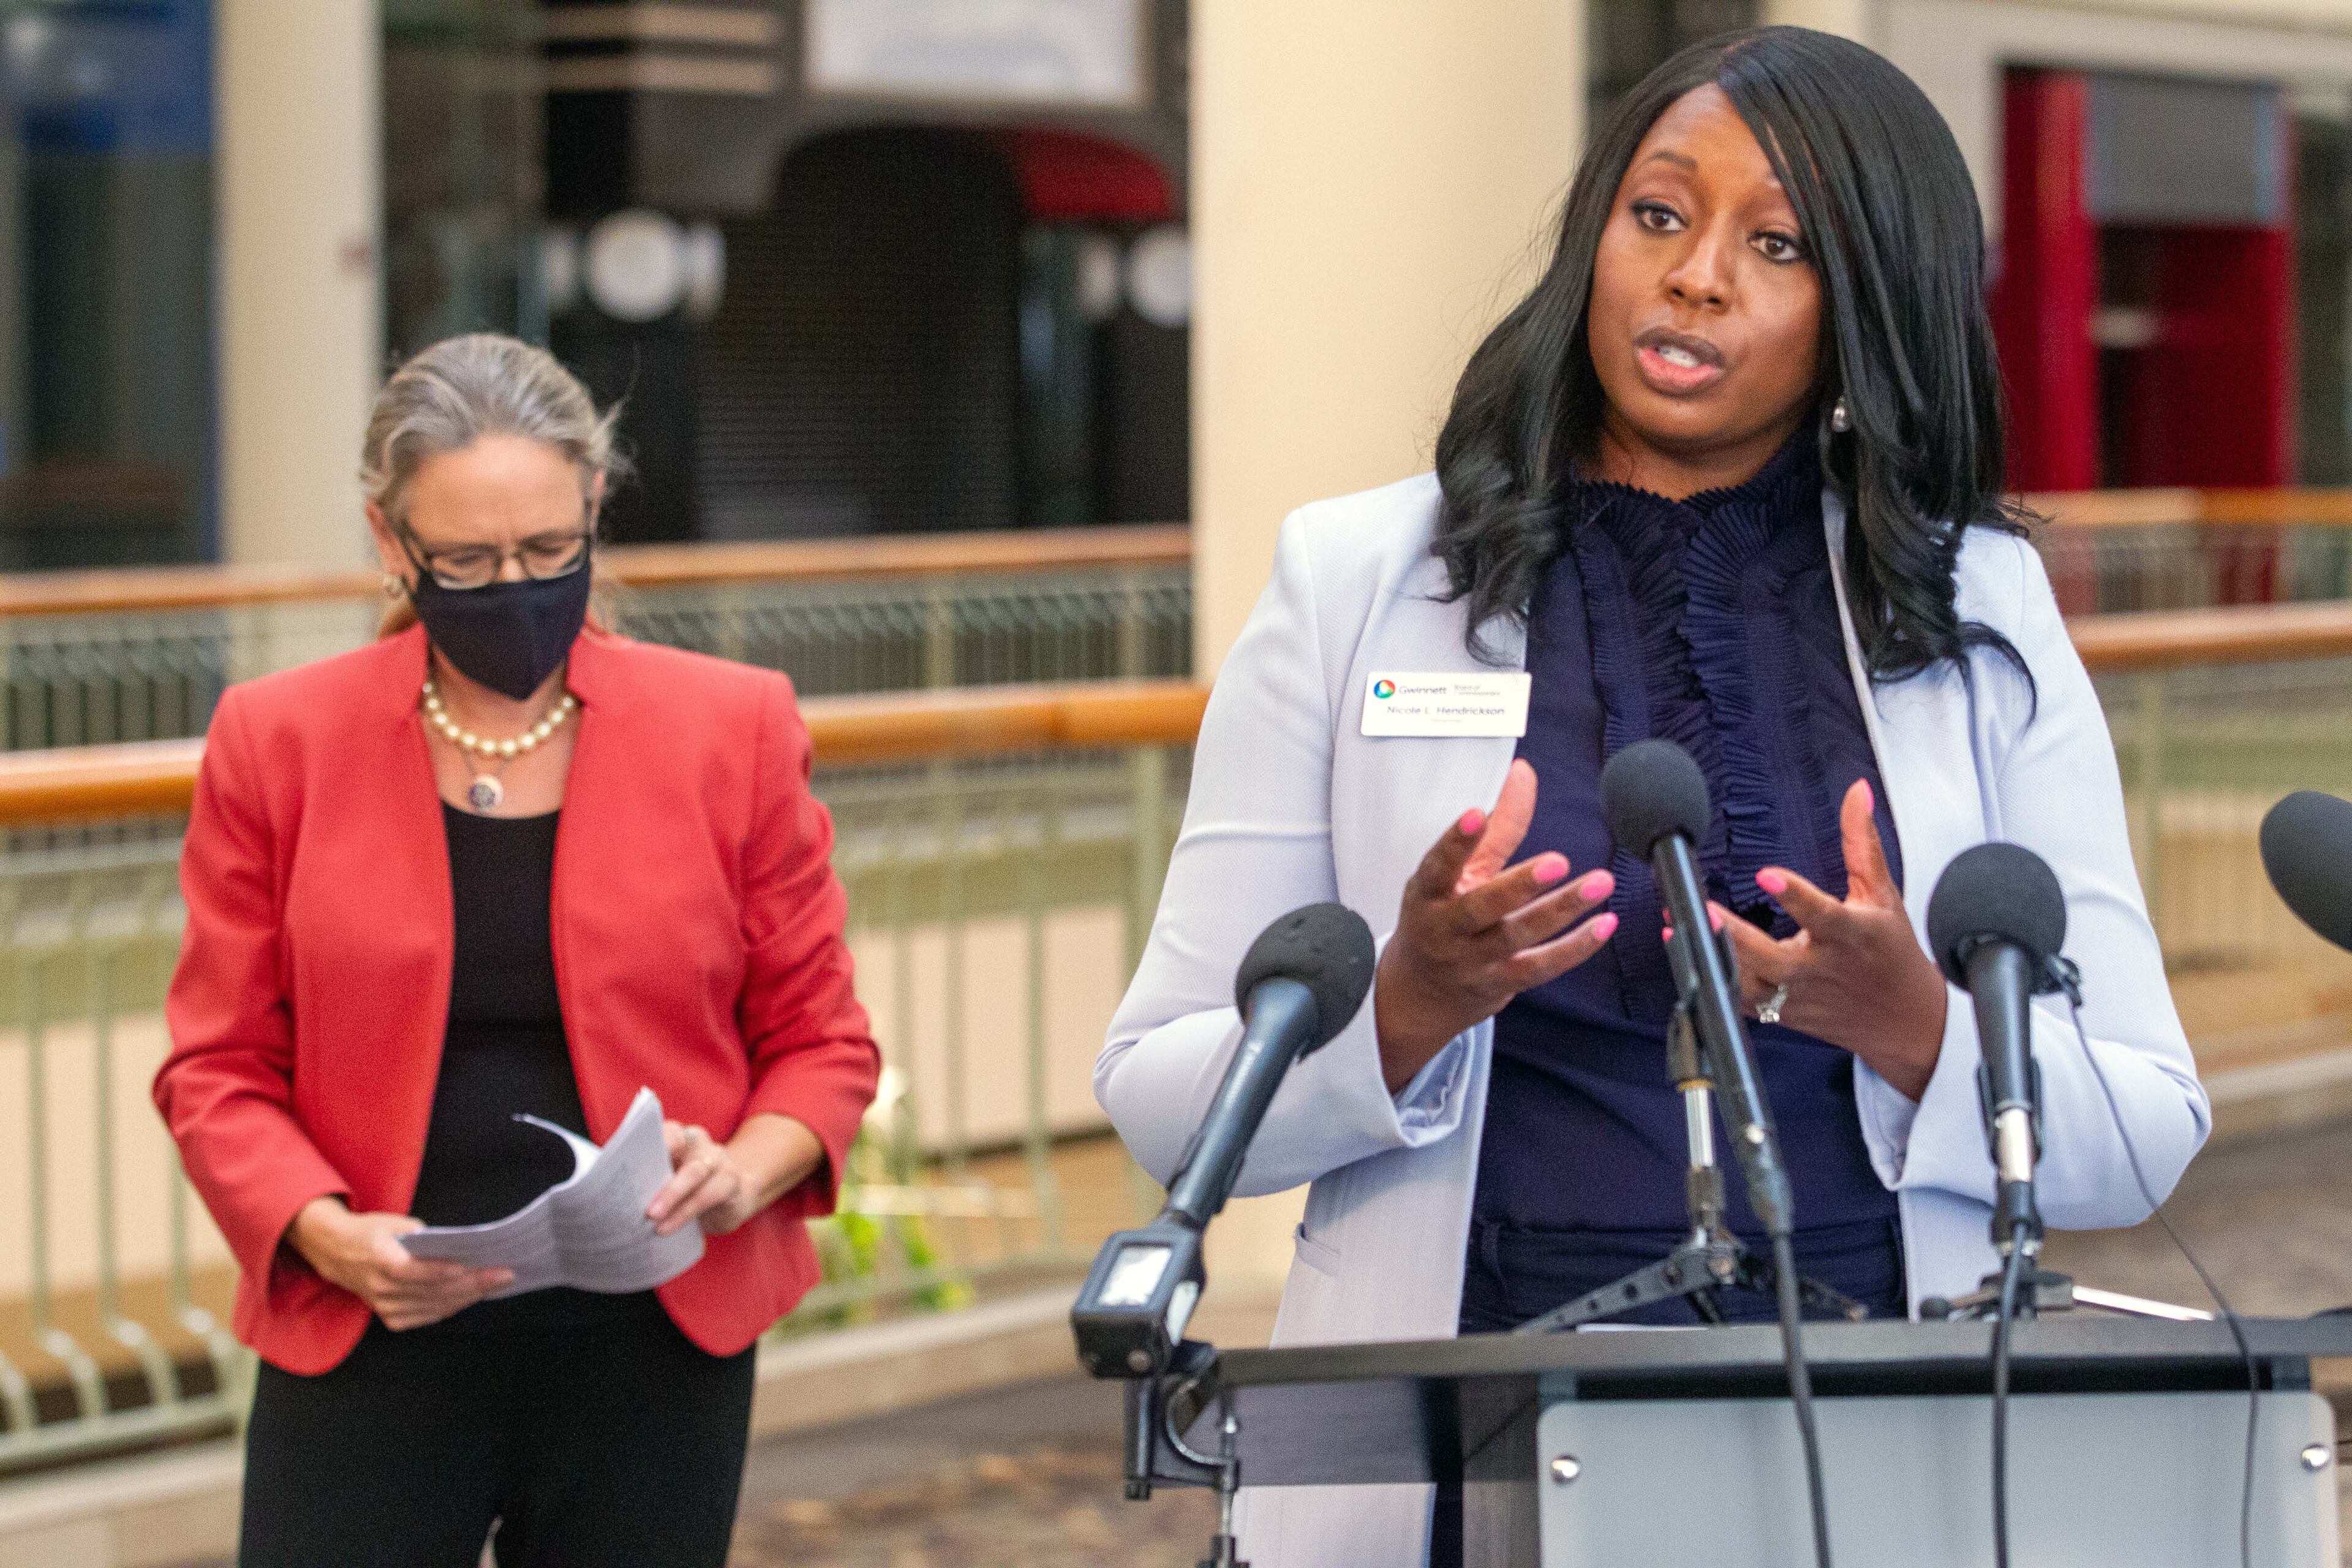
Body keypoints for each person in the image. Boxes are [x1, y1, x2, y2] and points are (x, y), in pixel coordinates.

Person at [1097, 28, 2208, 1568]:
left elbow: (2145, 1127)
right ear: (1594, 240)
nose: (1697, 280)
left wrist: (1917, 1029)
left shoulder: (1982, 608)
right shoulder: (1354, 583)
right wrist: (1406, 1000)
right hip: (1458, 1455)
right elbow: (1161, 1090)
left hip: (1876, 1452)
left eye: (1777, 246)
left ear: (1866, 308)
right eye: (1660, 215)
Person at [153, 333, 880, 1568]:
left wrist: (743, 1173)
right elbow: (215, 1066)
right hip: (371, 1326)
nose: (519, 585)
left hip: (651, 1341)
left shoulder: (732, 727)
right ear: (393, 544)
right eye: (472, 561)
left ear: (595, 508)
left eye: (551, 551)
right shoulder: (279, 740)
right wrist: (324, 1230)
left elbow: (822, 1043)